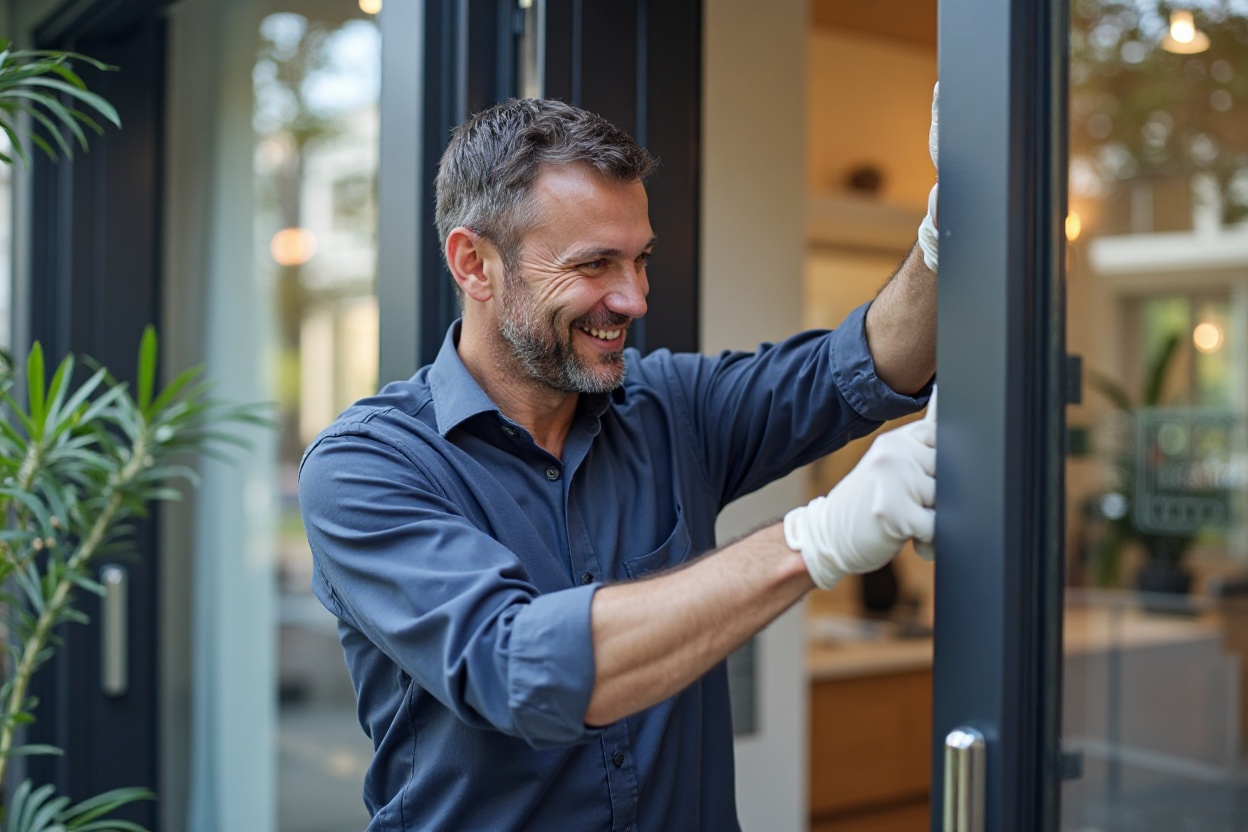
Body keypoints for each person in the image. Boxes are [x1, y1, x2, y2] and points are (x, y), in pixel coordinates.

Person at [298, 94, 939, 831]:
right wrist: (815, 540)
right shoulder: (369, 467)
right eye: (595, 263)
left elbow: (860, 366)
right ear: (474, 263)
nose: (633, 298)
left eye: (640, 260)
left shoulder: (671, 408)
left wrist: (944, 228)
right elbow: (516, 667)